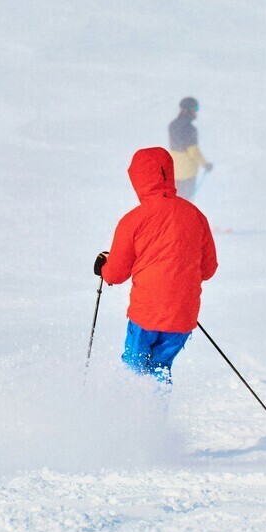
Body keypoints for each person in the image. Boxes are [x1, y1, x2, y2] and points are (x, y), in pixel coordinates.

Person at [94, 147, 217, 385]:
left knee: (134, 369)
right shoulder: (195, 215)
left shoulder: (133, 220)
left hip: (146, 313)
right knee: (160, 369)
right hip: (182, 316)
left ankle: (130, 418)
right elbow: (208, 269)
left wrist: (103, 268)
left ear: (137, 179)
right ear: (169, 173)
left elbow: (116, 274)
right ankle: (156, 418)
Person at [168, 97, 212, 201]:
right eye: (195, 109)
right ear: (189, 110)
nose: (196, 113)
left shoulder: (172, 125)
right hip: (187, 174)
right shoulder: (190, 129)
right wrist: (205, 164)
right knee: (187, 203)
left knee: (175, 201)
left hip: (174, 171)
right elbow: (193, 151)